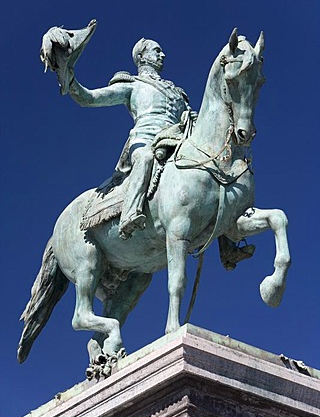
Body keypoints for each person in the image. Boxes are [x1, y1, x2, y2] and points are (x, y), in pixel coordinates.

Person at [67, 38, 254, 266]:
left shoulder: (176, 92)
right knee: (145, 159)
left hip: (178, 140)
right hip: (145, 141)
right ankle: (130, 213)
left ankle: (228, 246)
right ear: (142, 57)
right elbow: (90, 98)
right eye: (157, 51)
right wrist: (69, 78)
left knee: (215, 171)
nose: (163, 55)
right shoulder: (132, 85)